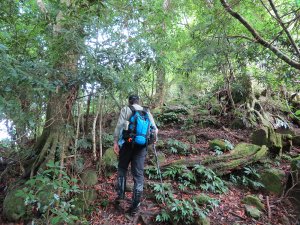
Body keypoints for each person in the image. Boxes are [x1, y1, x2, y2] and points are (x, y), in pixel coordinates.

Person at [113, 94, 158, 215]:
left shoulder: (126, 109)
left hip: (127, 145)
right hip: (141, 148)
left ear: (130, 101)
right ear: (138, 101)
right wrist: (153, 140)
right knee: (138, 176)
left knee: (122, 169)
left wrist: (116, 142)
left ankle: (120, 196)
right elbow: (155, 129)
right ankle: (135, 206)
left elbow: (119, 127)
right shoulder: (146, 111)